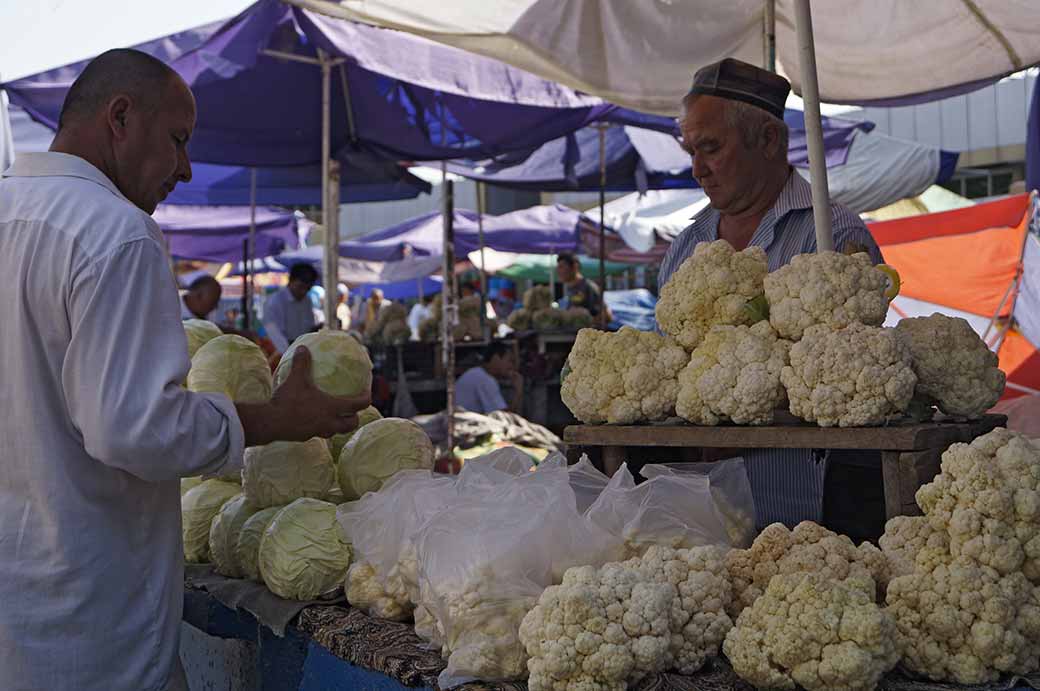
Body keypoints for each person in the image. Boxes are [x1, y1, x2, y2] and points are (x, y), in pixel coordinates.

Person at [0, 49, 370, 691]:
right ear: (120, 117)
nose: (185, 167)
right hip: (92, 627)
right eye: (177, 140)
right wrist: (276, 420)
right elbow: (132, 430)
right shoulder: (116, 232)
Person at [658, 58, 884, 533]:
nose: (698, 169)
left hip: (804, 504)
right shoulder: (686, 244)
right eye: (692, 151)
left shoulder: (831, 233)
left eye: (712, 148)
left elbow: (849, 376)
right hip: (702, 509)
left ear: (769, 141)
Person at [262, 262, 319, 352]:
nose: (303, 292)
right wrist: (289, 354)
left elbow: (308, 329)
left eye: (308, 289)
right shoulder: (275, 301)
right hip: (281, 354)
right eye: (300, 287)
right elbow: (275, 334)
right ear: (290, 281)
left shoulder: (307, 301)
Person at [455, 341, 523, 414]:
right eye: (509, 361)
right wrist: (518, 392)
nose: (511, 366)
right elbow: (504, 418)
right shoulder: (484, 379)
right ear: (496, 358)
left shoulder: (478, 373)